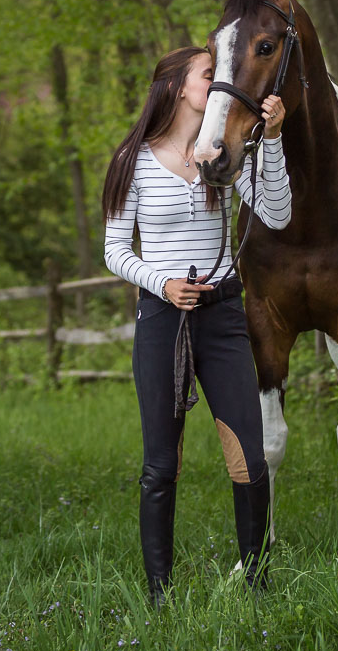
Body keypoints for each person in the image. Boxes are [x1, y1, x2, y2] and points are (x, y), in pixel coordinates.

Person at [101, 46, 291, 604]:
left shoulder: (223, 152)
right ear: (176, 89)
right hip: (162, 319)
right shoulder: (129, 160)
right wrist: (161, 283)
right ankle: (159, 594)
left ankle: (257, 583)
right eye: (209, 75)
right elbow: (114, 250)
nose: (219, 81)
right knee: (161, 463)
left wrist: (272, 140)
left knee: (249, 458)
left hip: (224, 317)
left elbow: (276, 214)